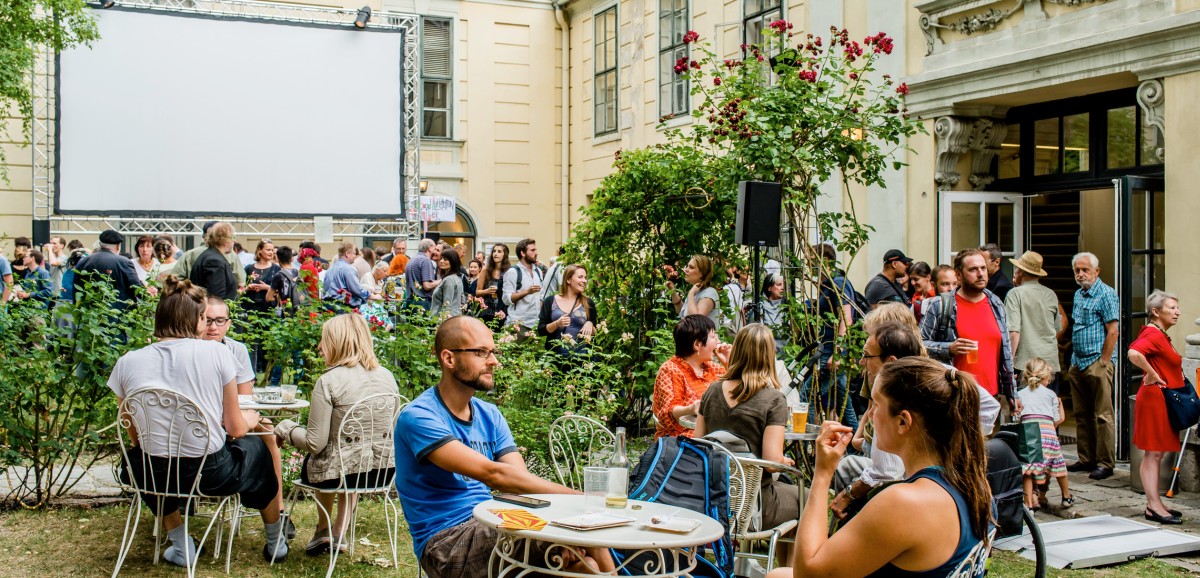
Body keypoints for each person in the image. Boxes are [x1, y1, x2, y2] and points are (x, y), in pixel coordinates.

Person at [394, 316, 614, 577]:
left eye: (493, 352)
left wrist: (577, 508)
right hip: (447, 542)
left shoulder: (490, 415)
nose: (493, 361)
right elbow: (497, 476)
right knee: (577, 532)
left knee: (583, 563)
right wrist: (582, 500)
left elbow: (519, 482)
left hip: (493, 518)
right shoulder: (419, 416)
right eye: (480, 352)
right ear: (449, 359)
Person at [109, 277, 289, 566]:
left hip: (149, 472)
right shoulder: (217, 353)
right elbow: (234, 427)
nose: (207, 325)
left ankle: (181, 546)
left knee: (142, 461)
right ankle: (275, 540)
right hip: (210, 473)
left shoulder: (128, 361)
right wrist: (251, 417)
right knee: (259, 451)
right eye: (204, 318)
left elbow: (130, 426)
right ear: (195, 320)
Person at [767, 357, 991, 578]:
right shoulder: (975, 485)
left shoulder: (905, 503)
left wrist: (823, 473)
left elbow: (808, 574)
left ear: (903, 422)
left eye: (876, 404)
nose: (870, 414)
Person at [276, 314, 401, 553]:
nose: (319, 347)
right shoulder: (387, 377)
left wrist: (286, 427)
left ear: (337, 342)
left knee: (330, 457)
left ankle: (324, 528)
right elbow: (394, 428)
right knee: (353, 456)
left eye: (324, 340)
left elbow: (314, 442)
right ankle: (339, 532)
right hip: (382, 472)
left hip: (337, 475)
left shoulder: (329, 381)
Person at [694, 323, 798, 531]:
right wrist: (786, 461)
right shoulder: (774, 400)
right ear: (769, 355)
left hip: (712, 501)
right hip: (755, 504)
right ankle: (787, 564)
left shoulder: (712, 391)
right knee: (805, 498)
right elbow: (770, 463)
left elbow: (697, 445)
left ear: (737, 351)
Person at [919, 248, 1020, 415]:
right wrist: (948, 348)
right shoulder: (940, 305)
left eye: (983, 268)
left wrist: (1012, 393)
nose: (980, 274)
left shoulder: (996, 303)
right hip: (954, 397)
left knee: (989, 441)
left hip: (990, 399)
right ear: (958, 275)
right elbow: (919, 345)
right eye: (973, 269)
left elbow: (1006, 352)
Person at [1128, 290, 1185, 524]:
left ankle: (1156, 504)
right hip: (1154, 400)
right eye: (1171, 308)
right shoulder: (1153, 333)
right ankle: (1153, 505)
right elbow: (1133, 352)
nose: (1177, 312)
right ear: (1155, 311)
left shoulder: (1160, 334)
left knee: (1157, 453)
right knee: (1153, 453)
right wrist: (1152, 374)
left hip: (1161, 400)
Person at [1066, 251, 1119, 480]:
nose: (1080, 274)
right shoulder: (1079, 294)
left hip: (1097, 360)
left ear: (1096, 271)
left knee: (1103, 415)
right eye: (1077, 270)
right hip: (1078, 361)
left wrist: (1104, 362)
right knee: (1081, 412)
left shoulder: (1106, 294)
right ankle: (1086, 458)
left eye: (1085, 269)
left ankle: (1105, 463)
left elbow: (1113, 331)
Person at [652, 315, 732, 438]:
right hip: (681, 440)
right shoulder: (671, 370)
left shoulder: (711, 367)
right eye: (713, 337)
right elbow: (667, 413)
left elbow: (735, 392)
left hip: (715, 434)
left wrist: (728, 363)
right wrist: (690, 409)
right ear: (697, 345)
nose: (718, 341)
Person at [1005, 251, 1067, 392]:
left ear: (1020, 271)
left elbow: (1013, 332)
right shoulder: (1050, 294)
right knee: (1048, 408)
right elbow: (1058, 327)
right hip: (1049, 362)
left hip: (1025, 363)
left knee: (1024, 409)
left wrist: (1009, 361)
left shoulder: (1015, 294)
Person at [1017, 358, 1072, 511]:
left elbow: (1017, 418)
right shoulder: (1051, 394)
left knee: (1027, 470)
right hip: (1048, 435)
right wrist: (1061, 407)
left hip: (1029, 435)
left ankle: (1028, 504)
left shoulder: (1019, 394)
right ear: (1046, 377)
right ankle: (1066, 496)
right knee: (1058, 467)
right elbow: (1058, 419)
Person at [74, 229, 152, 309]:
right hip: (118, 316)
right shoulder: (124, 262)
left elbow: (76, 288)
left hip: (90, 314)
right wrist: (148, 292)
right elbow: (137, 289)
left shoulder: (84, 261)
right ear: (118, 246)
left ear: (100, 244)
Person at [537, 264, 597, 356]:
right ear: (568, 279)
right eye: (580, 277)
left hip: (581, 360)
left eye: (585, 278)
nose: (584, 281)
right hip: (555, 359)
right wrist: (557, 324)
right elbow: (541, 330)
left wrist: (590, 324)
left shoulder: (588, 303)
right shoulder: (550, 301)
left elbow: (594, 334)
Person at [166, 221, 246, 287]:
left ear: (204, 235)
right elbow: (241, 282)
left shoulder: (189, 254)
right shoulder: (231, 255)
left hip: (193, 301)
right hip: (220, 302)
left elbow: (173, 279)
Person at [501, 238, 544, 330]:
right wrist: (527, 292)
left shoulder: (538, 271)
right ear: (523, 253)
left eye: (535, 250)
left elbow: (541, 296)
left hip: (536, 324)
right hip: (518, 325)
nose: (536, 253)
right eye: (532, 250)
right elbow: (506, 299)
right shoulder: (513, 272)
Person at [190, 222, 239, 301]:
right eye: (233, 238)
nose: (234, 241)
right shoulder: (214, 261)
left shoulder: (210, 256)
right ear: (225, 240)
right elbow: (216, 297)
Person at [668, 255, 720, 324]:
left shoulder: (709, 293)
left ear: (702, 273)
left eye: (691, 267)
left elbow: (695, 320)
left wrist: (691, 293)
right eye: (687, 266)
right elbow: (683, 313)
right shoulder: (696, 291)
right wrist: (672, 291)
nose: (686, 269)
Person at [745, 272, 787, 354]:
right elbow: (752, 335)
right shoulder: (760, 308)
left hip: (787, 356)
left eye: (783, 285)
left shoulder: (788, 308)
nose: (782, 288)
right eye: (778, 284)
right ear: (769, 288)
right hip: (765, 354)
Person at [323, 242, 371, 308]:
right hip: (344, 308)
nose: (356, 256)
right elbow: (356, 290)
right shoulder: (349, 269)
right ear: (347, 254)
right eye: (354, 253)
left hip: (328, 306)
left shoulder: (330, 269)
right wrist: (371, 295)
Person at [475, 243, 509, 326]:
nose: (496, 254)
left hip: (503, 311)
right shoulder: (485, 270)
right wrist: (487, 291)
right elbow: (477, 292)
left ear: (505, 255)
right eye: (494, 251)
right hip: (487, 311)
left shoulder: (508, 271)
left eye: (499, 251)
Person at [244, 240, 281, 316]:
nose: (271, 252)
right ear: (259, 250)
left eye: (272, 250)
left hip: (269, 310)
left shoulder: (277, 269)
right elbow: (240, 289)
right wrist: (248, 288)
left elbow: (282, 290)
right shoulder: (249, 268)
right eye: (268, 250)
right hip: (250, 309)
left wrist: (267, 287)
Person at [404, 239, 441, 311]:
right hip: (421, 303)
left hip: (410, 301)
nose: (435, 251)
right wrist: (442, 280)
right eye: (434, 248)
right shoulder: (425, 260)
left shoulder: (411, 260)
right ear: (430, 248)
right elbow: (427, 285)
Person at [430, 249, 465, 318]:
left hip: (444, 320)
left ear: (453, 261)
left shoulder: (448, 280)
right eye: (441, 258)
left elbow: (447, 304)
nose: (441, 261)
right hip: (456, 318)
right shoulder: (457, 278)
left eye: (445, 259)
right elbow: (462, 301)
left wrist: (442, 321)